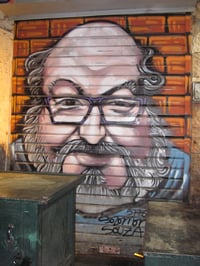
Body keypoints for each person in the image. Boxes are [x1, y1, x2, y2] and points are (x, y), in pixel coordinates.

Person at [11, 21, 190, 216]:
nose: (92, 135)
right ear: (38, 114)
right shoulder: (12, 169)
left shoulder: (182, 177)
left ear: (148, 115)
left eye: (120, 104)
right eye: (69, 103)